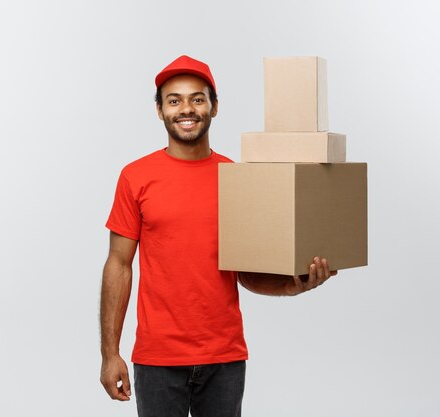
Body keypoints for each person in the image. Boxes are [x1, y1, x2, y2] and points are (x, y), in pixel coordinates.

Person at [100, 55, 337, 417]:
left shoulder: (237, 178)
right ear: (160, 110)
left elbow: (247, 271)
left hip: (224, 357)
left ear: (214, 106)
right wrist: (109, 353)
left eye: (197, 98)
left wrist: (294, 284)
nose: (186, 108)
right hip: (158, 358)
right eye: (174, 100)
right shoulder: (136, 176)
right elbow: (119, 264)